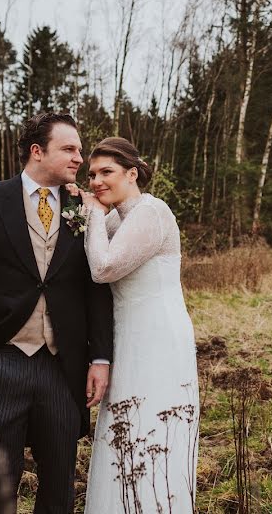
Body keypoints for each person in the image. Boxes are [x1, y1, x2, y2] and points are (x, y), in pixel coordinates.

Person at [0, 112, 114, 513]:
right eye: (69, 149)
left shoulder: (85, 208)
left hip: (61, 365)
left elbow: (96, 289)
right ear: (37, 151)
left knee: (59, 489)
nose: (79, 159)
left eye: (80, 150)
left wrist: (99, 357)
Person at [72, 137, 199, 514]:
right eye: (91, 173)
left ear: (132, 173)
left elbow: (103, 267)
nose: (95, 180)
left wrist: (90, 212)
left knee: (152, 427)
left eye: (106, 172)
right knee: (123, 429)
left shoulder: (151, 211)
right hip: (125, 338)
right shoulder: (115, 217)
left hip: (158, 337)